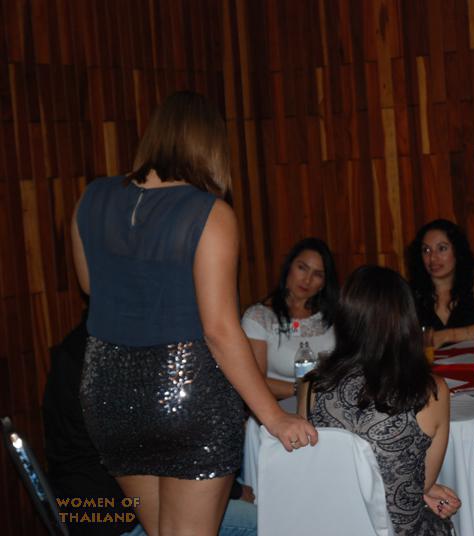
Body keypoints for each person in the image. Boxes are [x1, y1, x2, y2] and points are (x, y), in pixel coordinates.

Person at [70, 91, 317, 536]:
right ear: (212, 147)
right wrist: (274, 417)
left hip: (110, 395)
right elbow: (219, 329)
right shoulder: (209, 213)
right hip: (186, 394)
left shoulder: (91, 198)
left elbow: (92, 286)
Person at [42, 314, 257, 536]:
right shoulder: (113, 353)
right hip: (111, 514)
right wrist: (234, 490)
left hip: (78, 506)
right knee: (260, 522)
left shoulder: (79, 346)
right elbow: (155, 443)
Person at [298, 266, 461, 535]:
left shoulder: (311, 385)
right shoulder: (431, 390)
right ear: (405, 320)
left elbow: (313, 469)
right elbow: (422, 483)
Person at [241, 237, 338, 400]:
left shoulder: (333, 316)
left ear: (323, 283)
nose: (307, 280)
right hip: (279, 408)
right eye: (302, 268)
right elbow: (254, 381)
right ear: (288, 268)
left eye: (317, 274)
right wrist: (304, 390)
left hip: (330, 405)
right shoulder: (259, 317)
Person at [407, 219, 474, 347]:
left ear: (457, 250)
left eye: (442, 248)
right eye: (426, 250)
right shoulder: (411, 291)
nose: (432, 258)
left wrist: (448, 335)